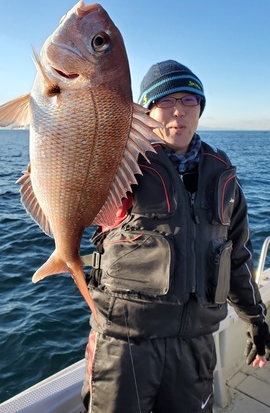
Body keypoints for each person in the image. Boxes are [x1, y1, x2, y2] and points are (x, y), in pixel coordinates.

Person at [81, 60, 270, 413]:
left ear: (200, 109)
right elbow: (74, 187)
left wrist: (256, 320)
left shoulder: (223, 175)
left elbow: (237, 258)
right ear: (146, 111)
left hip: (194, 347)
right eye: (165, 102)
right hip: (124, 345)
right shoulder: (121, 162)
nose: (178, 113)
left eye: (189, 101)